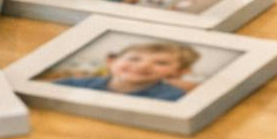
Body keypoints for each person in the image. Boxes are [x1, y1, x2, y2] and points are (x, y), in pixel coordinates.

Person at [54, 40, 197, 101]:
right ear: (111, 61)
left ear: (178, 72)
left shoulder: (172, 97)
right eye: (134, 59)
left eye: (161, 63)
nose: (143, 66)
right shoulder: (74, 84)